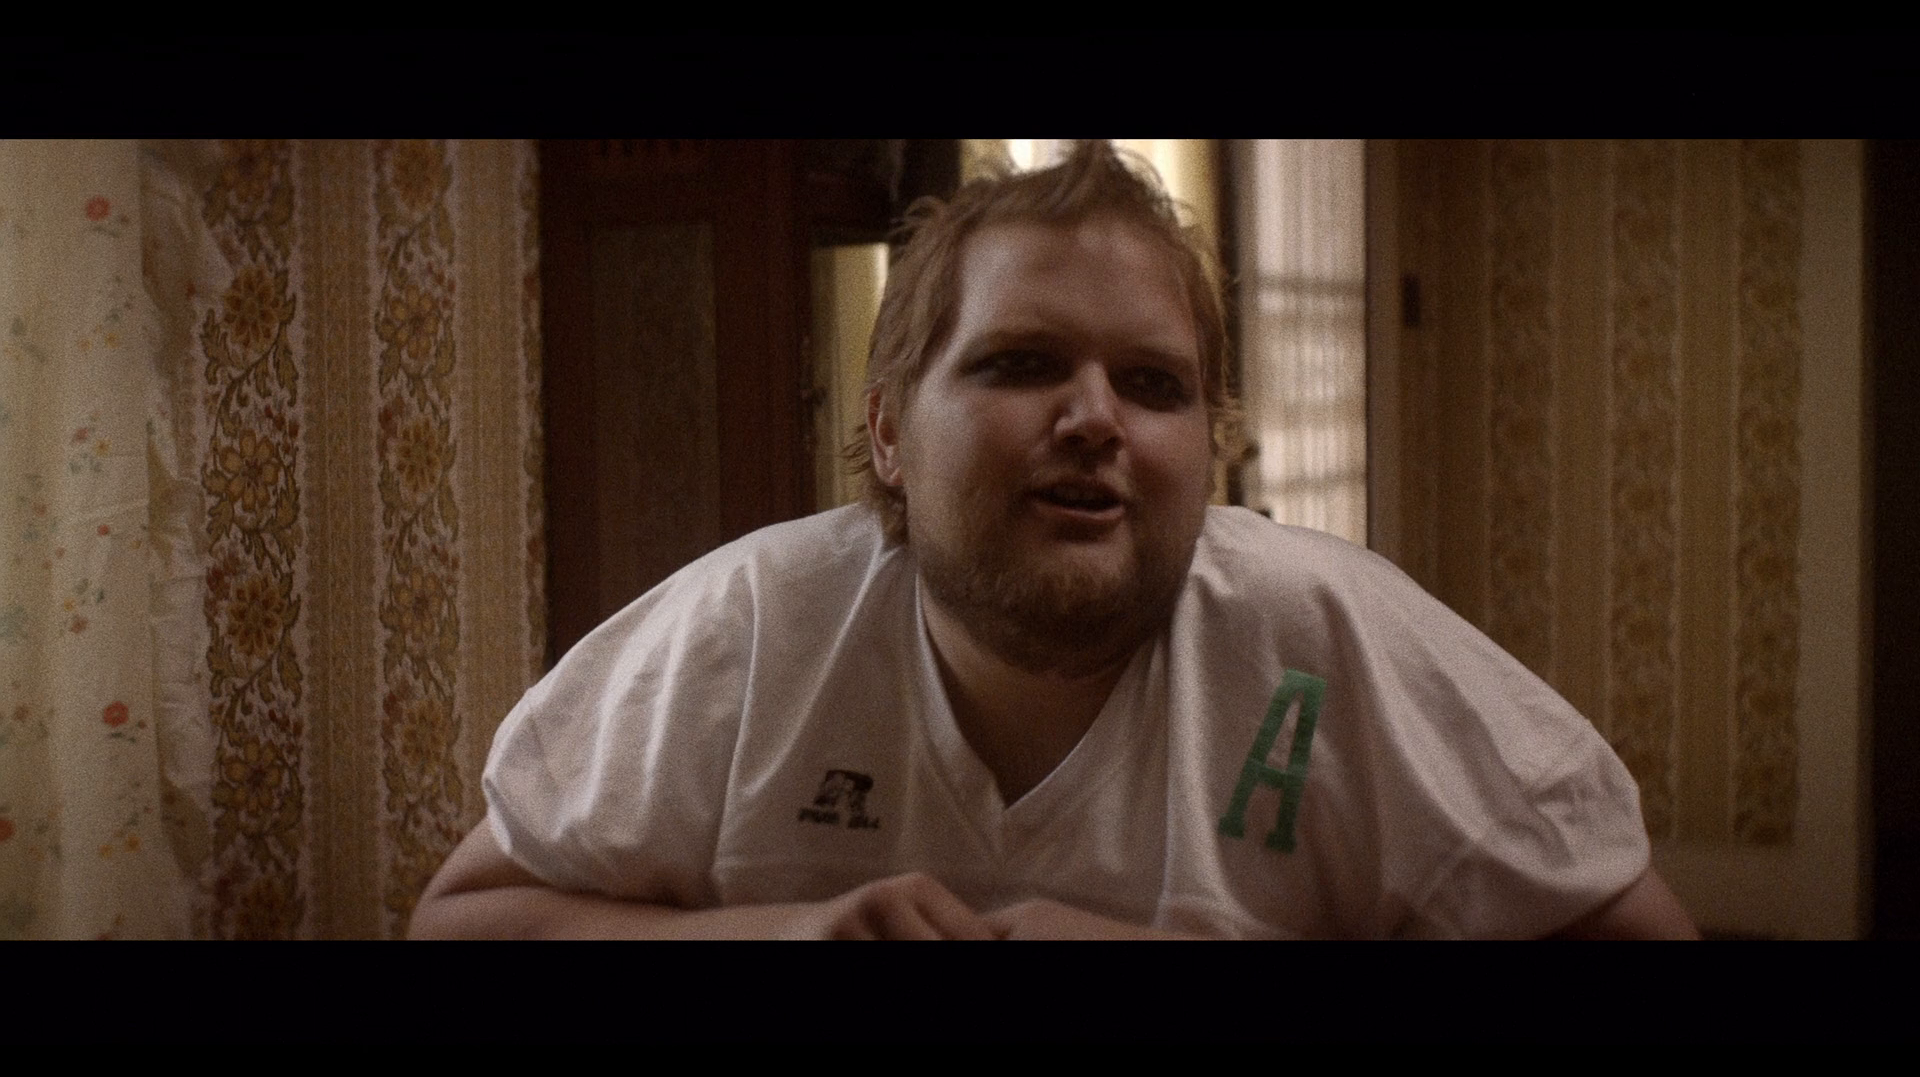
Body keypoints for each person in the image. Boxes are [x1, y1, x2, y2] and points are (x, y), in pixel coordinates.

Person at [410, 141, 1698, 940]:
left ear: (1210, 444)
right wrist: (783, 934)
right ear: (889, 432)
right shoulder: (749, 630)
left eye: (1153, 385)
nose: (1095, 419)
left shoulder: (1334, 637)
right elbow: (461, 922)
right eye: (1023, 363)